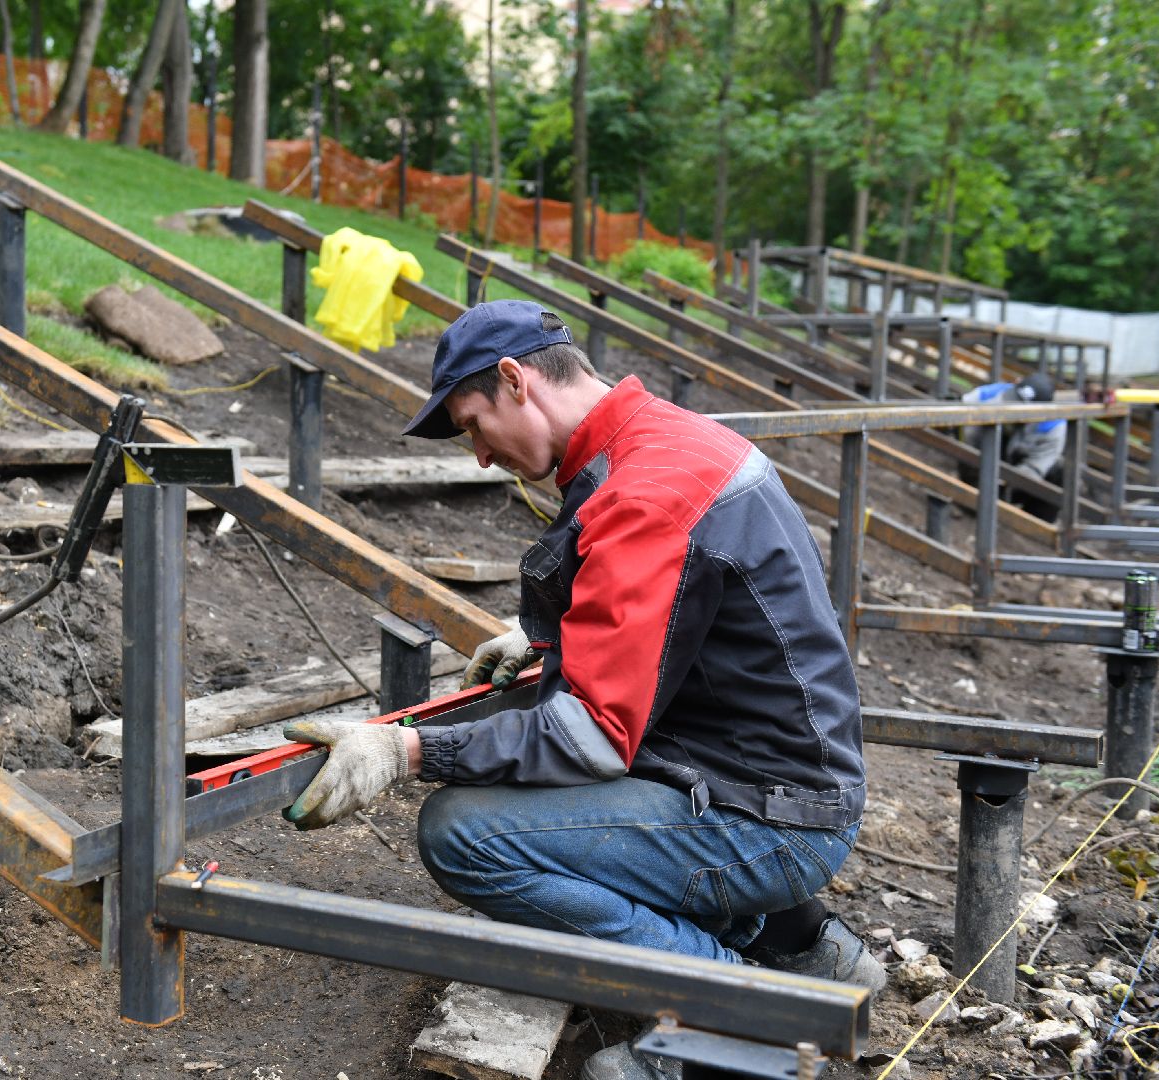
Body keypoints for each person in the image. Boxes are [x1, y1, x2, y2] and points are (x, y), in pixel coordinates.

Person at [281, 300, 883, 1080]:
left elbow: (591, 737)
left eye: (473, 426)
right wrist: (555, 634)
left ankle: (744, 1016)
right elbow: (683, 617)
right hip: (778, 780)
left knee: (462, 834)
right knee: (531, 801)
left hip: (772, 819)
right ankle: (805, 946)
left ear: (514, 379)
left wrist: (406, 752)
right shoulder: (665, 440)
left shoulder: (641, 497)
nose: (481, 457)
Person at [958, 372, 1066, 520]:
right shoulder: (991, 394)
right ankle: (972, 498)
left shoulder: (1053, 426)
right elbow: (959, 413)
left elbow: (1035, 468)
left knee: (1060, 470)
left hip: (1017, 473)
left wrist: (1004, 486)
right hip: (981, 459)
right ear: (1015, 384)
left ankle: (1031, 524)